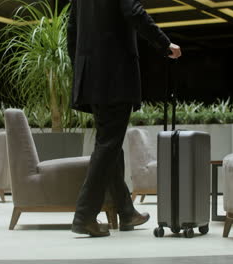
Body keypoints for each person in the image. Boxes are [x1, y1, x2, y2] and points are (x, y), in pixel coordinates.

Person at [67, 0, 182, 237]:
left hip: (91, 75)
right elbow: (134, 12)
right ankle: (84, 216)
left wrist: (81, 67)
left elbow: (71, 30)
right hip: (114, 76)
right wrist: (164, 43)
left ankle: (126, 210)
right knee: (108, 144)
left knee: (110, 144)